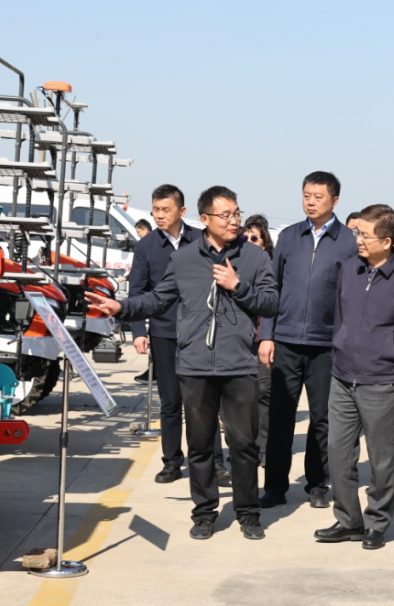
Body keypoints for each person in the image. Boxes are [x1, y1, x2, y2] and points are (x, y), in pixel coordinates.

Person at [86, 186, 278, 540]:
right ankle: (204, 513)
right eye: (226, 215)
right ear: (205, 219)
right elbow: (158, 299)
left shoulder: (254, 257)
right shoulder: (185, 258)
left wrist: (238, 286)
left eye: (236, 214)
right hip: (195, 365)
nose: (234, 221)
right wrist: (122, 308)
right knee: (200, 445)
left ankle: (248, 513)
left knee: (244, 445)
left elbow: (271, 303)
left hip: (239, 365)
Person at [315, 204, 394, 550]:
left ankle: (377, 522)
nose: (359, 240)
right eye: (357, 233)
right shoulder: (349, 268)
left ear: (387, 241)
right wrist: (339, 348)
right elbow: (340, 318)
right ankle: (348, 520)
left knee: (381, 459)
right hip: (342, 378)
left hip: (383, 380)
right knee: (338, 453)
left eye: (365, 235)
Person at [260, 171, 357, 508]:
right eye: (306, 195)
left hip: (325, 346)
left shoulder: (349, 242)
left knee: (322, 418)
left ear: (335, 200)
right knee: (280, 417)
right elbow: (272, 289)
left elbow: (351, 297)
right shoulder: (289, 236)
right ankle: (275, 486)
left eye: (318, 196)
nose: (310, 202)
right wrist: (267, 335)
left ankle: (317, 484)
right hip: (285, 341)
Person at [127, 185, 202, 482]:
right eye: (155, 210)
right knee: (170, 403)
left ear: (181, 211)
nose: (159, 215)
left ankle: (214, 460)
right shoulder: (146, 247)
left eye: (165, 210)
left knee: (203, 403)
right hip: (163, 333)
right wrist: (138, 331)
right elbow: (137, 291)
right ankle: (172, 461)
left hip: (199, 334)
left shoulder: (201, 240)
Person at [244, 213, 274, 466]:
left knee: (263, 393)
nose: (249, 241)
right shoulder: (233, 266)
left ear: (264, 244)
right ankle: (243, 446)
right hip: (237, 341)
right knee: (240, 397)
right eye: (245, 237)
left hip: (262, 339)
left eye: (254, 238)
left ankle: (263, 447)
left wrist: (267, 337)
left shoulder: (270, 269)